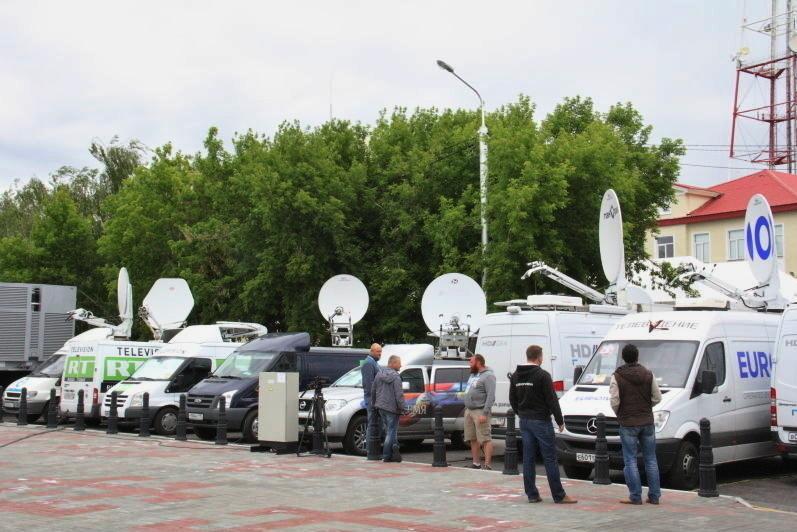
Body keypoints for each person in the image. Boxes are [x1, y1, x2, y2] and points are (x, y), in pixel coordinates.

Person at [509, 345, 577, 504]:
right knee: (550, 458)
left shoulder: (516, 376)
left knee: (528, 458)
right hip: (541, 420)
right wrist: (560, 421)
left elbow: (512, 399)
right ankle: (559, 495)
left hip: (525, 421)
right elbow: (552, 400)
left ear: (527, 356)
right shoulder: (542, 375)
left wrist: (521, 413)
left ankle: (532, 494)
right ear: (539, 357)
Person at [610, 343, 662, 505]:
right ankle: (654, 496)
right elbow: (657, 397)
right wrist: (646, 408)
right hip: (647, 421)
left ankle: (635, 496)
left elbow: (614, 401)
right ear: (637, 356)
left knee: (630, 460)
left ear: (623, 358)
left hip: (628, 423)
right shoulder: (648, 374)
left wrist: (620, 413)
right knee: (651, 459)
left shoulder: (617, 376)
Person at [463, 354, 496, 470]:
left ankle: (487, 464)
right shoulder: (473, 375)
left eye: (471, 362)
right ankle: (476, 463)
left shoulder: (488, 376)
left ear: (478, 362)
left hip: (480, 411)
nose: (469, 365)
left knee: (485, 438)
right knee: (472, 438)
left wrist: (485, 413)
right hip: (469, 410)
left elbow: (491, 396)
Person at [370, 354, 406, 462]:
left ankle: (394, 452)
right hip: (392, 408)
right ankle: (386, 455)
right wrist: (403, 408)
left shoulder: (379, 374)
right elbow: (399, 395)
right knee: (391, 431)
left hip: (381, 407)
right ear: (393, 363)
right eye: (399, 363)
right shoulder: (396, 377)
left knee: (390, 431)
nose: (401, 365)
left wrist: (374, 403)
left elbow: (373, 390)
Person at [361, 343, 382, 448]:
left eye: (381, 351)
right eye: (378, 351)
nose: (380, 354)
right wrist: (374, 400)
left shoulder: (373, 362)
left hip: (375, 399)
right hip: (373, 400)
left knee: (376, 425)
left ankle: (374, 449)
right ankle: (370, 449)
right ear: (372, 351)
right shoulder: (368, 363)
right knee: (372, 425)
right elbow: (369, 384)